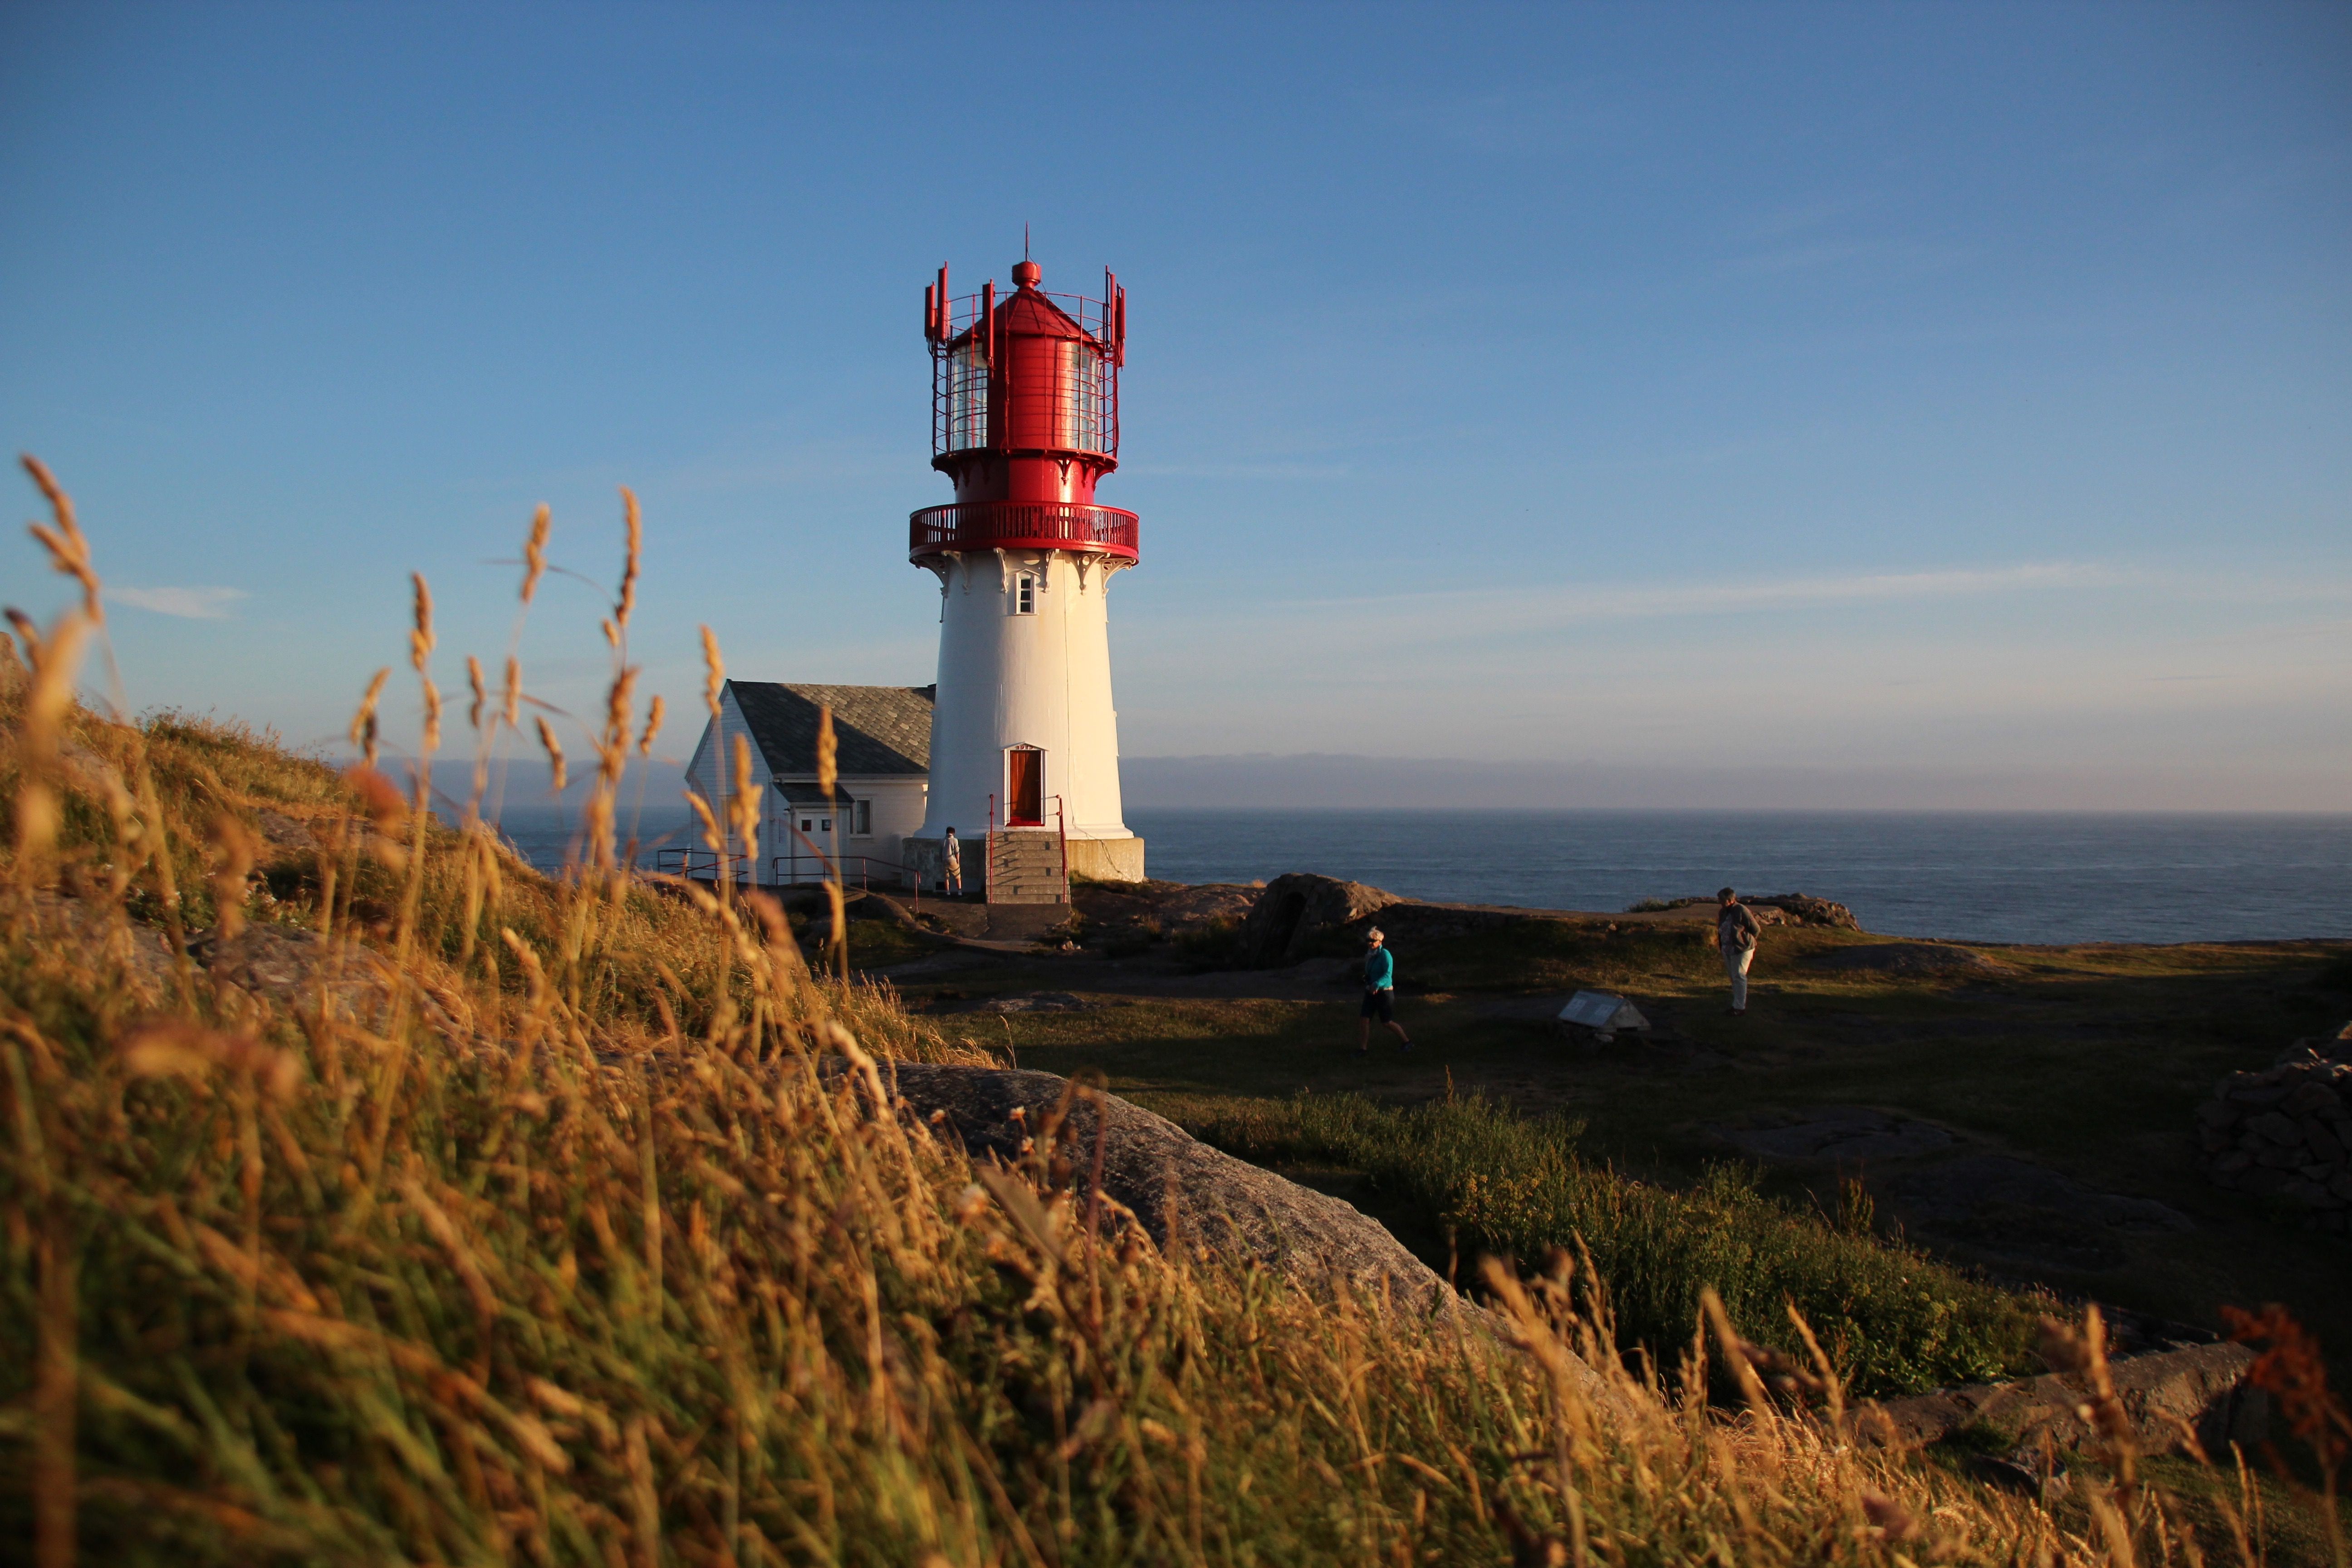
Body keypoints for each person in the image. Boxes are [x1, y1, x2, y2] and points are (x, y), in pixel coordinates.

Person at [1356, 926, 1413, 1055]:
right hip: (1371, 992)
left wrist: (1376, 985)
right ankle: (1363, 1049)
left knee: (1387, 1022)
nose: (1370, 943)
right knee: (1364, 1019)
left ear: (1380, 941)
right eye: (1368, 940)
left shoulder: (1385, 955)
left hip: (1384, 993)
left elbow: (1388, 974)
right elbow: (1370, 972)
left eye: (1372, 940)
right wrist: (1368, 981)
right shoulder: (1370, 955)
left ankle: (1407, 1042)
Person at [1716, 886, 1762, 1015]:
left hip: (1742, 949)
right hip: (1728, 948)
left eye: (1721, 899)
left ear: (1730, 900)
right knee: (1733, 977)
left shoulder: (1741, 910)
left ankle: (1739, 1007)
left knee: (1739, 976)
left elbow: (1756, 929)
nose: (1719, 901)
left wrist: (1744, 941)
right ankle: (1736, 1003)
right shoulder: (1723, 912)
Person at [941, 826, 963, 897]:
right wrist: (958, 862)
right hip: (953, 860)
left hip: (945, 860)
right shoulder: (955, 840)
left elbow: (940, 852)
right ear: (954, 833)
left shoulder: (943, 840)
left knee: (947, 878)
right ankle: (959, 892)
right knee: (958, 877)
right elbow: (957, 852)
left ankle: (948, 892)